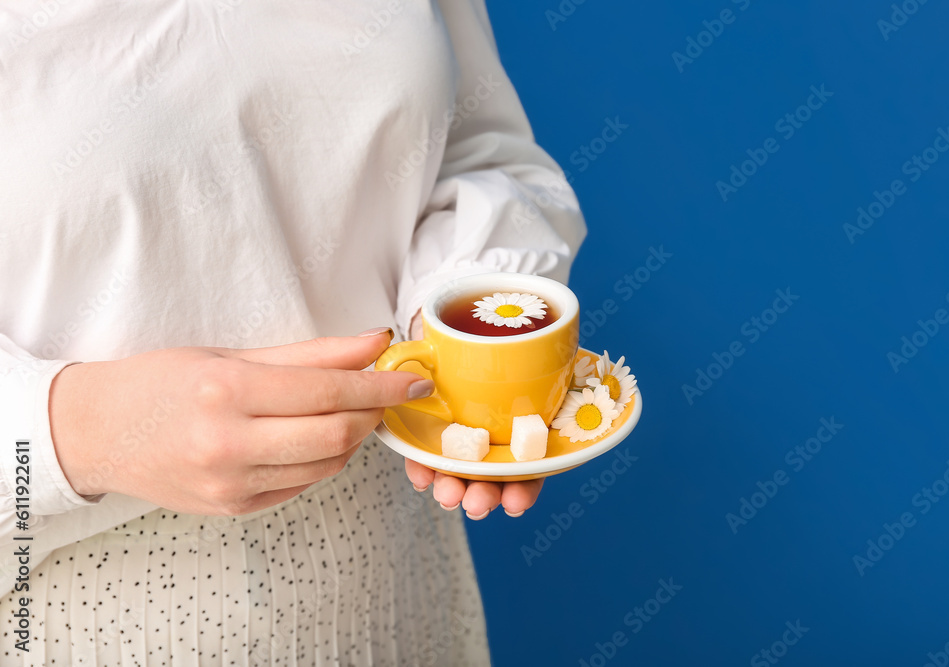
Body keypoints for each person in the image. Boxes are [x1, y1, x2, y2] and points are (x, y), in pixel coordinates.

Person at [0, 0, 585, 664]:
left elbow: (478, 147)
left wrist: (458, 336)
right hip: (72, 618)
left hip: (395, 577)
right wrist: (81, 430)